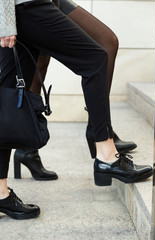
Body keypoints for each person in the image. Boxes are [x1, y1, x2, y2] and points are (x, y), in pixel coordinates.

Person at [0, 0, 152, 220]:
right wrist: (5, 22)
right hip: (25, 5)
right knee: (95, 58)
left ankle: (1, 192)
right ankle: (106, 154)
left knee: (6, 93)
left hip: (21, 8)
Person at [14, 0, 137, 181]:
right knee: (38, 64)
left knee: (107, 41)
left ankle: (99, 128)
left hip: (52, 2)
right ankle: (26, 148)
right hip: (26, 4)